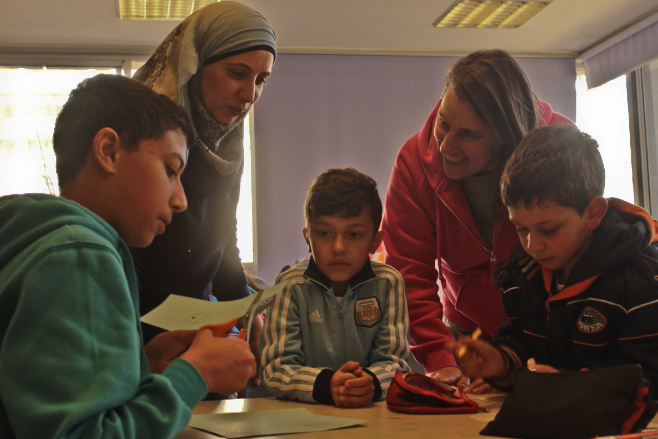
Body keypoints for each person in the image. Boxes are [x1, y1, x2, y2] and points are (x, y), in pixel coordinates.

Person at [0, 74, 257, 439]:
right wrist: (195, 374)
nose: (181, 200)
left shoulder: (41, 243)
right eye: (170, 170)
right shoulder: (79, 253)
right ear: (109, 151)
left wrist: (146, 367)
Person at [381, 49, 573, 390]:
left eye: (469, 134)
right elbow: (408, 275)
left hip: (548, 331)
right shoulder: (413, 164)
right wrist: (442, 359)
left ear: (505, 137)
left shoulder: (558, 147)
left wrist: (517, 364)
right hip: (464, 335)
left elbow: (577, 260)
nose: (445, 146)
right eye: (443, 122)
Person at [447, 124, 658, 395]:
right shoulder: (522, 272)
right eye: (521, 228)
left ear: (593, 213)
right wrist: (501, 364)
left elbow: (650, 377)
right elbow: (523, 343)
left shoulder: (641, 283)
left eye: (549, 229)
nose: (533, 245)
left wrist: (569, 385)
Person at [132, 1, 277, 361]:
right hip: (136, 336)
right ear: (194, 65)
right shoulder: (142, 133)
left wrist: (246, 308)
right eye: (237, 73)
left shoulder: (226, 147)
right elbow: (123, 257)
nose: (250, 94)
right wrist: (136, 355)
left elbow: (222, 240)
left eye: (261, 80)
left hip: (198, 332)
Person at [261, 167, 416, 407]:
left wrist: (371, 383)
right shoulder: (289, 287)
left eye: (354, 235)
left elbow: (394, 364)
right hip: (305, 419)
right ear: (308, 238)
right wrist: (328, 384)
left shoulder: (388, 284)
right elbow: (276, 370)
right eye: (324, 233)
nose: (338, 247)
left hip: (371, 416)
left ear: (375, 242)